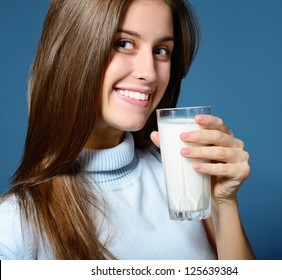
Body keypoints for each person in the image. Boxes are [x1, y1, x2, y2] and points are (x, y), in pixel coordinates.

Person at [0, 0, 255, 260]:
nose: (149, 73)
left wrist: (224, 204)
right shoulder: (13, 229)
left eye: (161, 50)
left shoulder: (183, 182)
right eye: (123, 43)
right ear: (71, 51)